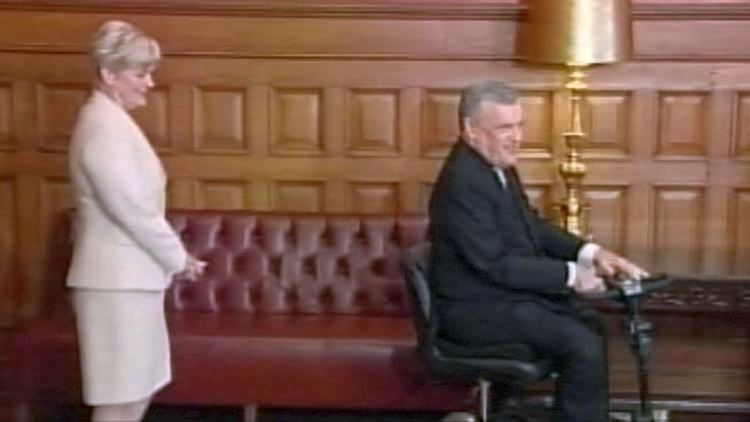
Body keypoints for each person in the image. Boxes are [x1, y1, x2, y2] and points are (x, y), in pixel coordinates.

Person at [428, 80, 648, 422]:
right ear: (471, 130)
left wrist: (592, 253)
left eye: (519, 125)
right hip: (475, 311)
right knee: (580, 342)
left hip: (503, 299)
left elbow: (532, 227)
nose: (516, 137)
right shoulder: (462, 183)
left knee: (588, 324)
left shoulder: (496, 166)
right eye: (504, 128)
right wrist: (572, 276)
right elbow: (496, 265)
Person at [66, 20, 206, 422]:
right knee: (118, 399)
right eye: (140, 73)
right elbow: (133, 211)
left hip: (129, 280)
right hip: (114, 283)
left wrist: (174, 260)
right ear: (109, 74)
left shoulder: (111, 121)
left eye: (150, 72)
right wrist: (180, 259)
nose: (149, 83)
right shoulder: (102, 128)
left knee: (135, 394)